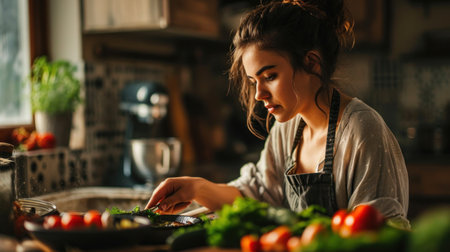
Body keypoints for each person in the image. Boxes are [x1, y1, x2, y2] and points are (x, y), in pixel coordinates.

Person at [146, 0, 409, 226]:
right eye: (253, 81)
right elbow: (257, 194)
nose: (259, 94)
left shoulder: (362, 130)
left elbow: (377, 231)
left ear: (312, 63)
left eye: (270, 76)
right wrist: (196, 188)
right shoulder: (287, 130)